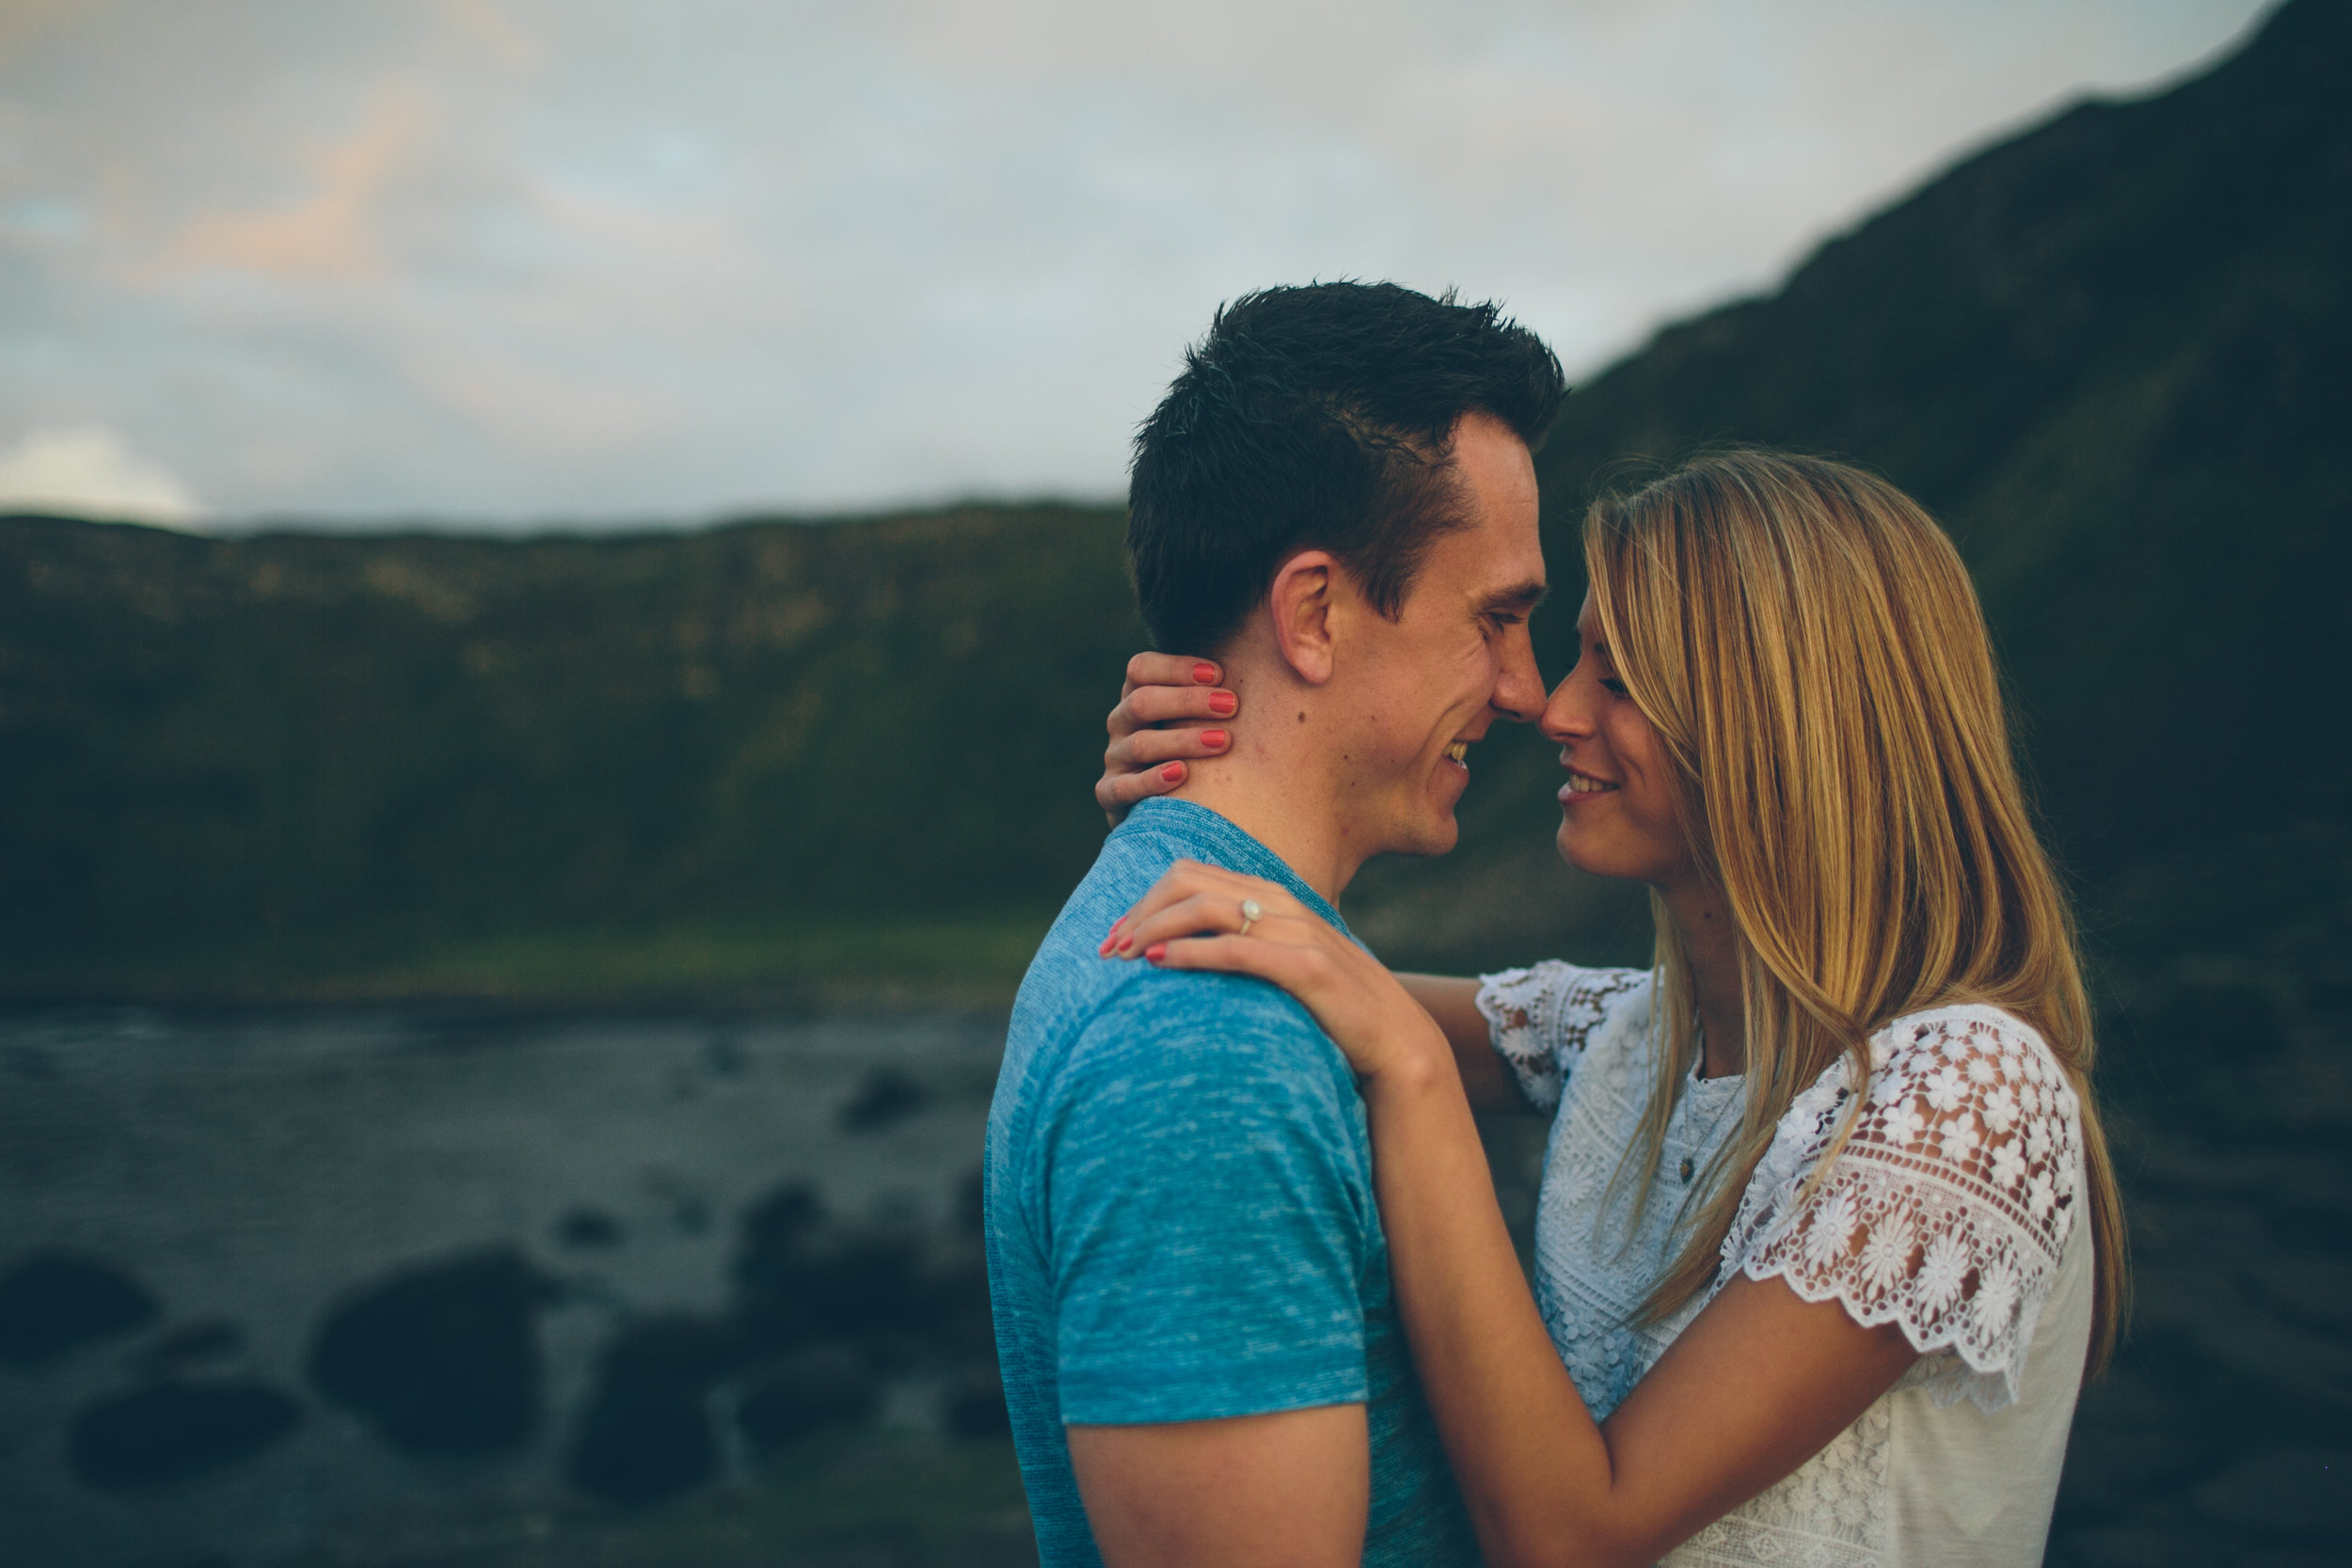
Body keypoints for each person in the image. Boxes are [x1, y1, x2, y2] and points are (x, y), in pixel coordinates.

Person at [1097, 450, 2127, 1568]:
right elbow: (1306, 976)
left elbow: (1574, 1532)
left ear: (1782, 718)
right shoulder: (1632, 1035)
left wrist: (1419, 1078)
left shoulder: (1967, 1092)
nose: (1552, 705)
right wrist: (1198, 796)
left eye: (1620, 676)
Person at [985, 280, 1569, 1567]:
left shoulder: (1231, 970)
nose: (1527, 690)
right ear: (1314, 612)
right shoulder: (1209, 1043)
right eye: (1500, 618)